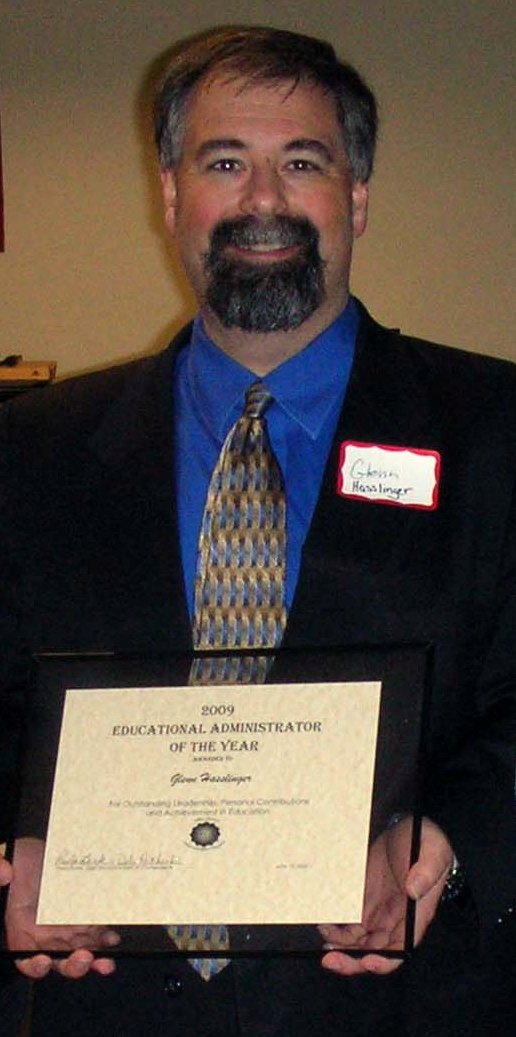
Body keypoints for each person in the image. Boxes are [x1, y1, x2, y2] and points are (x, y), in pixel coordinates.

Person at [1, 24, 515, 1037]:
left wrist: (450, 844)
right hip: (102, 1005)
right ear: (170, 195)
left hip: (404, 1003)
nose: (264, 200)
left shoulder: (497, 431)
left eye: (304, 163)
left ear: (356, 197)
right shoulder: (27, 452)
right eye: (225, 162)